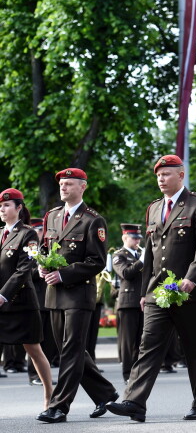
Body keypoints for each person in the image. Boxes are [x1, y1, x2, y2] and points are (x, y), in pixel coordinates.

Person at [106, 155, 196, 422]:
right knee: (148, 345)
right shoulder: (153, 209)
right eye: (158, 175)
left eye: (166, 174)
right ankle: (134, 402)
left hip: (190, 290)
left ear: (181, 175)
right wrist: (145, 292)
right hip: (159, 291)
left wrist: (191, 278)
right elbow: (152, 256)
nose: (161, 179)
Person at [37, 168, 118, 423]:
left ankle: (59, 406)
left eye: (70, 184)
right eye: (62, 183)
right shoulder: (51, 216)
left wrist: (63, 274)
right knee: (68, 350)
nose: (63, 187)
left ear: (83, 187)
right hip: (54, 294)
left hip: (78, 294)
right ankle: (105, 393)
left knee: (71, 351)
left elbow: (97, 261)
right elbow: (44, 249)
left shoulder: (93, 220)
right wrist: (42, 265)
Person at [0, 188, 54, 409]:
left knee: (33, 349)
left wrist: (4, 294)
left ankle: (50, 395)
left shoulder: (28, 234)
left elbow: (25, 268)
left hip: (20, 303)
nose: (2, 209)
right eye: (0, 206)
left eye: (6, 205)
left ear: (19, 208)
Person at [27, 218, 59, 386]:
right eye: (38, 230)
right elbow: (24, 272)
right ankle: (34, 374)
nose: (41, 233)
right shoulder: (30, 250)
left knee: (49, 340)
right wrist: (38, 270)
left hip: (50, 298)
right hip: (36, 299)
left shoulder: (47, 249)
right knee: (36, 341)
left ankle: (43, 374)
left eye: (42, 230)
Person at [112, 223, 145, 384]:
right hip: (128, 302)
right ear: (125, 237)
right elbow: (126, 273)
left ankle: (138, 372)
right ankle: (128, 374)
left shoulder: (140, 254)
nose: (137, 240)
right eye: (134, 237)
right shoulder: (119, 255)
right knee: (128, 342)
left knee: (140, 341)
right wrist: (142, 261)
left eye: (139, 237)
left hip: (143, 301)